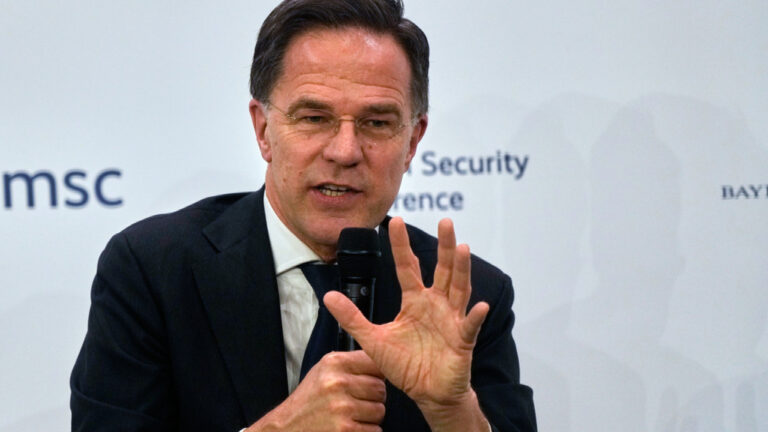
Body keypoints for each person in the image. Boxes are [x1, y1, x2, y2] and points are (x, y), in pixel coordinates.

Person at [70, 1, 537, 431]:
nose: (345, 151)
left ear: (412, 141)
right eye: (314, 118)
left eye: (377, 123)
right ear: (263, 130)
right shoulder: (154, 270)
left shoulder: (467, 299)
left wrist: (453, 411)